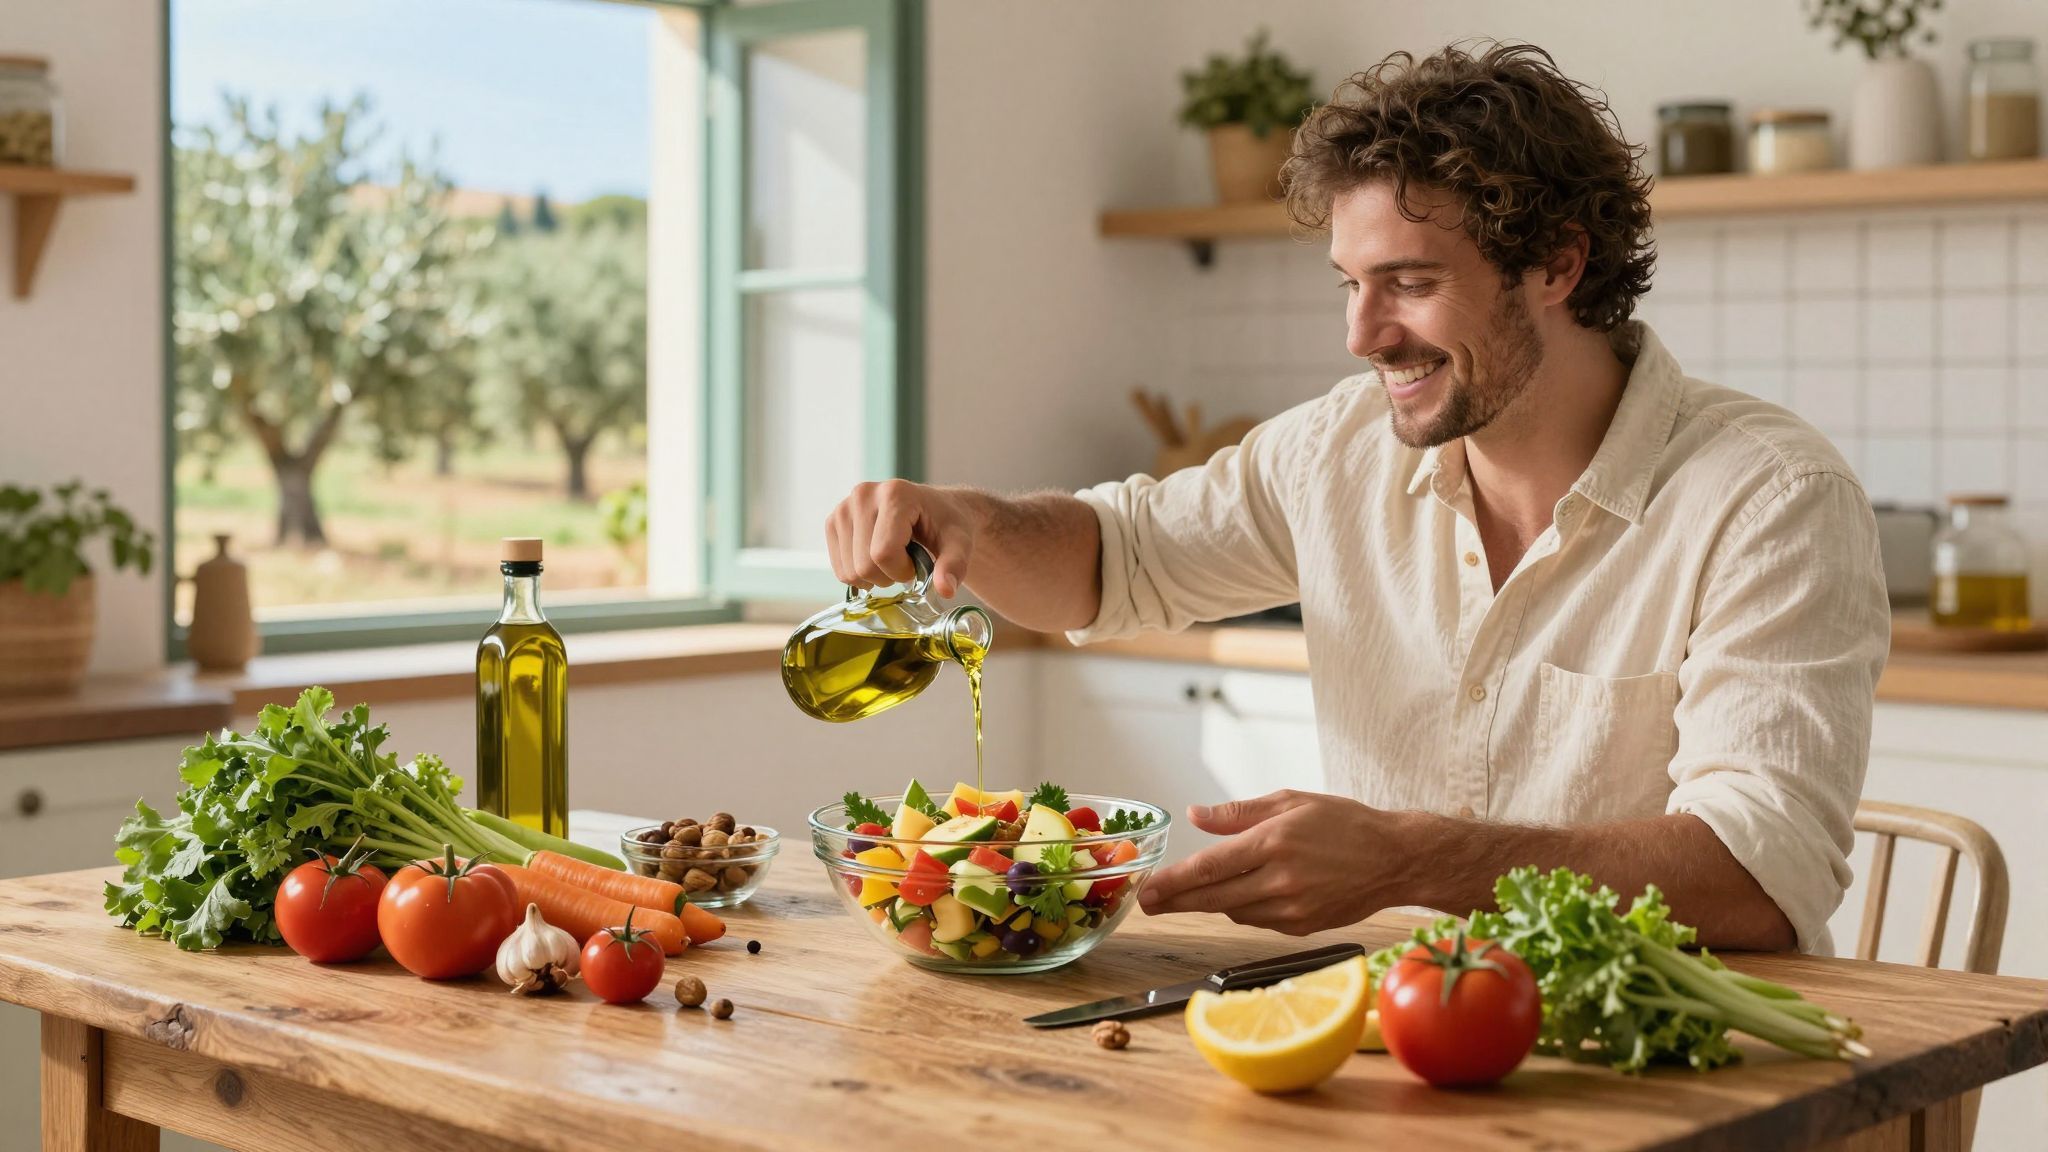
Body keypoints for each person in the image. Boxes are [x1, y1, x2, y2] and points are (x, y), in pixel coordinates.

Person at [822, 42, 1888, 953]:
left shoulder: (1767, 497)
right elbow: (1116, 559)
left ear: (1558, 266)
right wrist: (965, 519)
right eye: (1350, 282)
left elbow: (1758, 875)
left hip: (1690, 1064)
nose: (1361, 334)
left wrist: (1410, 861)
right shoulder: (1335, 449)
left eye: (1410, 284)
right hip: (1404, 1036)